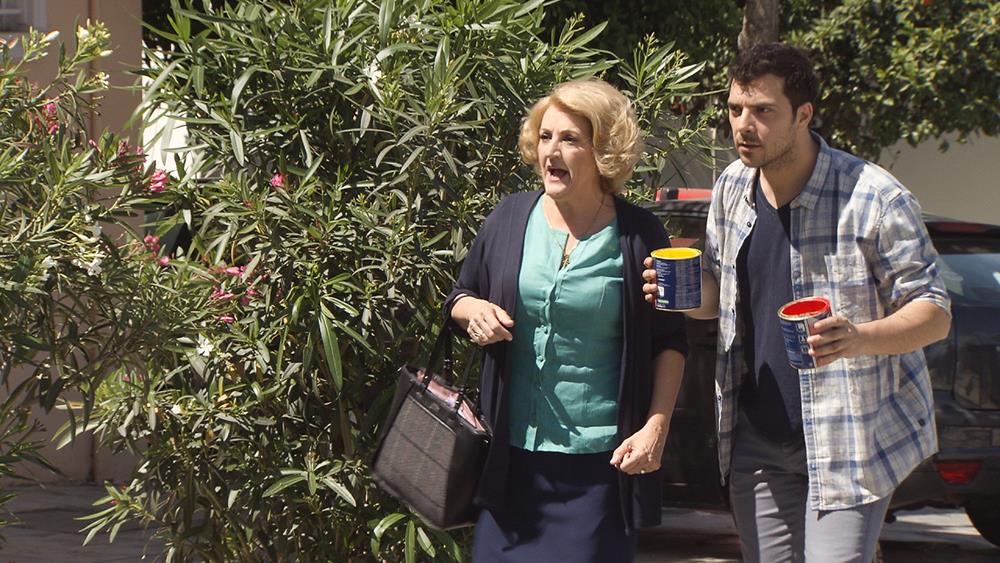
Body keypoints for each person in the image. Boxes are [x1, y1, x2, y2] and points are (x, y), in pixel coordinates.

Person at [643, 43, 952, 562]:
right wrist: (682, 295)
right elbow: (718, 300)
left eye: (763, 111)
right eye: (735, 109)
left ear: (803, 115)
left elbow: (935, 312)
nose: (744, 126)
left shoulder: (874, 197)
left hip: (848, 437)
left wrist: (857, 338)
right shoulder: (732, 188)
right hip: (757, 435)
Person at [445, 78, 688, 562]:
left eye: (570, 139)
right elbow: (459, 296)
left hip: (598, 471)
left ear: (604, 152)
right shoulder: (510, 217)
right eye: (545, 137)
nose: (551, 152)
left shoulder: (639, 235)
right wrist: (475, 313)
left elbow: (670, 341)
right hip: (509, 464)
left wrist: (655, 427)